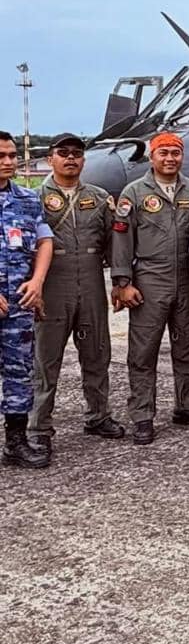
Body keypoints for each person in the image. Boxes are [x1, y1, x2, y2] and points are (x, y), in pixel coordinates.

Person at [29, 132, 124, 454]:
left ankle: (98, 416)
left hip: (92, 282)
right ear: (50, 159)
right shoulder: (34, 199)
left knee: (97, 354)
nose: (71, 158)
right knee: (46, 360)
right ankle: (38, 426)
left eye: (77, 153)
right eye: (63, 153)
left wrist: (120, 282)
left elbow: (114, 244)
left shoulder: (99, 198)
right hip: (53, 285)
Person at [109, 131, 189, 445]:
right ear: (152, 157)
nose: (170, 159)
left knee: (188, 348)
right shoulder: (134, 193)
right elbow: (122, 238)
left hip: (186, 280)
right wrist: (123, 282)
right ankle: (142, 416)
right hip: (150, 279)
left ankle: (188, 405)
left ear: (182, 156)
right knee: (143, 352)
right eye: (163, 153)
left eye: (175, 153)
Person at [0, 130, 53, 468]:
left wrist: (37, 282)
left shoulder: (28, 198)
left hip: (18, 303)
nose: (8, 162)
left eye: (12, 155)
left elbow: (45, 240)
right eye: (1, 156)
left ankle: (16, 442)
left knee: (19, 373)